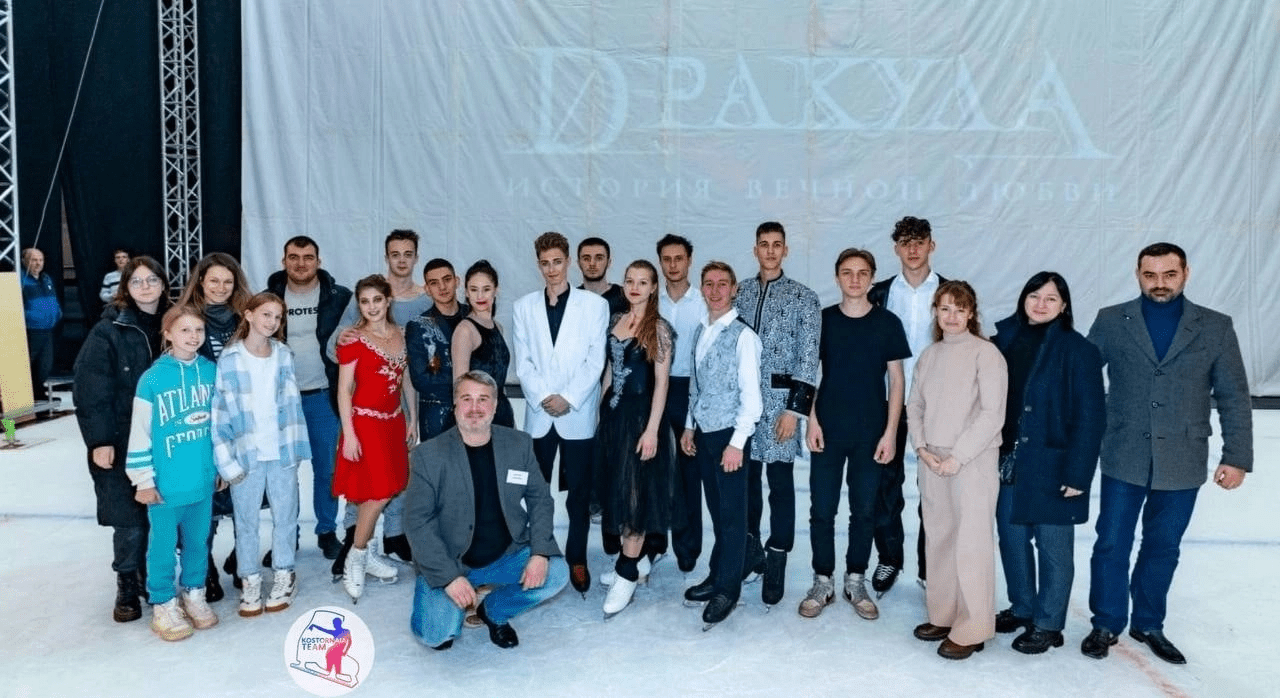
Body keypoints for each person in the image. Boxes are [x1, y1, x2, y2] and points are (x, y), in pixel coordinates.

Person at [1080, 242, 1253, 665]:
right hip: (1123, 453)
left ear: (1185, 273)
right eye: (1150, 275)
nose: (1160, 283)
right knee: (1112, 543)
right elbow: (1080, 379)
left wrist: (1236, 456)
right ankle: (1106, 622)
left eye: (1169, 274)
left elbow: (1233, 395)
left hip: (1183, 457)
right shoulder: (1111, 320)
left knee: (1163, 546)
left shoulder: (1215, 326)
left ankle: (1148, 623)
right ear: (1138, 274)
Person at [404, 371, 569, 650]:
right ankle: (451, 607)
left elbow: (540, 499)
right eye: (466, 399)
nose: (475, 408)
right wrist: (449, 577)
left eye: (483, 399)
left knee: (556, 573)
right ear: (455, 404)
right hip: (452, 560)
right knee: (436, 634)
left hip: (505, 554)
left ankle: (493, 611)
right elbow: (417, 522)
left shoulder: (518, 444)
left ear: (494, 406)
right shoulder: (428, 455)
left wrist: (540, 553)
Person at [991, 272, 1105, 654]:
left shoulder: (1079, 350)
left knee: (1053, 548)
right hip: (1008, 460)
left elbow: (1091, 417)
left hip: (1054, 464)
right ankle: (1023, 607)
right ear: (1023, 298)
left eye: (1051, 298)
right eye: (1034, 296)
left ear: (1064, 305)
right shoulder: (1003, 340)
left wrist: (1078, 474)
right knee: (1012, 538)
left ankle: (1049, 624)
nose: (1041, 304)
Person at [801, 249, 910, 621]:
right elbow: (808, 374)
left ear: (872, 278)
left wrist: (890, 433)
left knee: (864, 511)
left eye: (863, 273)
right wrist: (811, 420)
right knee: (822, 510)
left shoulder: (888, 323)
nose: (855, 279)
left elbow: (897, 381)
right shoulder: (823, 321)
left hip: (870, 432)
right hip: (828, 430)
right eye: (847, 272)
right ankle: (822, 581)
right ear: (837, 277)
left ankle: (855, 579)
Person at [907, 280, 1007, 660]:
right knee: (940, 538)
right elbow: (915, 406)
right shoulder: (929, 355)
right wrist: (921, 447)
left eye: (959, 309)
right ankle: (944, 614)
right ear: (935, 312)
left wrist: (959, 456)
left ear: (971, 313)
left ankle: (973, 627)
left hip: (972, 460)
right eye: (945, 308)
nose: (951, 316)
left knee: (971, 544)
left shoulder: (986, 353)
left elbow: (992, 414)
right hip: (932, 459)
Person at [73, 256, 171, 624]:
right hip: (122, 437)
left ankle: (154, 575)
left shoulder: (175, 323)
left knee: (164, 511)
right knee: (128, 518)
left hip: (167, 437)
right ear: (125, 288)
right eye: (137, 281)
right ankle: (127, 581)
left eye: (152, 280)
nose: (145, 287)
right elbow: (91, 388)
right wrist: (99, 440)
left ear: (163, 284)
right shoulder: (107, 331)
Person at [330, 230, 434, 570]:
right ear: (387, 256)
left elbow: (412, 368)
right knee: (367, 482)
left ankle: (391, 537)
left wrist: (413, 415)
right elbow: (340, 348)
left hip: (397, 409)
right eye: (395, 253)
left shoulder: (423, 302)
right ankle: (355, 543)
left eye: (408, 253)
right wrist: (343, 337)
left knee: (394, 479)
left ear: (415, 257)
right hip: (365, 407)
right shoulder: (364, 303)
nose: (401, 259)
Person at [513, 232, 609, 594]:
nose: (552, 269)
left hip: (577, 414)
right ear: (538, 264)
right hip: (539, 415)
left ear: (568, 261)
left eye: (557, 261)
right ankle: (539, 551)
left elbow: (596, 360)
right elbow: (524, 361)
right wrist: (544, 397)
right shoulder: (524, 307)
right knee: (536, 491)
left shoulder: (594, 306)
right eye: (545, 263)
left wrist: (568, 398)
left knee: (579, 494)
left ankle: (577, 557)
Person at [732, 221, 820, 607]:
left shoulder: (803, 297)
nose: (770, 251)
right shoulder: (740, 293)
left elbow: (808, 356)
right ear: (755, 250)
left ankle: (778, 554)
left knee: (780, 483)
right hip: (743, 403)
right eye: (764, 244)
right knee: (747, 481)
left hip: (781, 403)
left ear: (786, 250)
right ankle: (750, 550)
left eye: (777, 244)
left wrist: (794, 411)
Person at [212, 292, 311, 617]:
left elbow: (292, 404)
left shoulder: (283, 354)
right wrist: (226, 462)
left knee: (285, 517)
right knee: (246, 522)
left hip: (281, 451)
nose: (272, 322)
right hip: (246, 455)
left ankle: (284, 573)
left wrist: (295, 448)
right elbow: (220, 414)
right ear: (249, 315)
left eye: (278, 317)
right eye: (266, 314)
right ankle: (250, 579)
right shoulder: (230, 359)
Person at [124, 304, 220, 641]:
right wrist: (143, 480)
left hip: (202, 479)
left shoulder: (211, 372)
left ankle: (194, 593)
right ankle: (163, 602)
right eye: (184, 330)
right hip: (165, 484)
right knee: (163, 546)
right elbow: (140, 432)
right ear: (168, 334)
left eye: (199, 330)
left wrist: (220, 466)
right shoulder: (152, 379)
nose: (193, 336)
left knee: (198, 541)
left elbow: (221, 426)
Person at [867, 215, 947, 594]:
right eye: (905, 242)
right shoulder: (879, 294)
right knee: (885, 485)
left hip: (938, 404)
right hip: (888, 402)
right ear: (896, 248)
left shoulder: (951, 292)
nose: (913, 249)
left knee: (935, 488)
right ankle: (889, 558)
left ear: (932, 245)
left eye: (920, 241)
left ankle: (931, 566)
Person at [680, 261, 763, 629]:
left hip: (731, 437)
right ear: (702, 289)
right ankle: (718, 573)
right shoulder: (702, 330)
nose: (715, 291)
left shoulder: (744, 337)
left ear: (734, 290)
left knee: (732, 517)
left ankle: (728, 589)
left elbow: (753, 398)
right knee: (716, 512)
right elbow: (695, 385)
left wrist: (737, 443)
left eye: (723, 284)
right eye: (709, 284)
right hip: (704, 434)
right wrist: (689, 426)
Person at [596, 260, 681, 617]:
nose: (634, 287)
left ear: (653, 287)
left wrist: (652, 430)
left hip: (641, 418)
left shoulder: (658, 328)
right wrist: (601, 415)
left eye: (642, 282)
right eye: (630, 280)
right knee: (618, 490)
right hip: (614, 419)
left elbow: (662, 384)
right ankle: (632, 560)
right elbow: (610, 371)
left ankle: (627, 571)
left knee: (636, 495)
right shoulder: (616, 320)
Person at [332, 275, 418, 602]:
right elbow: (344, 390)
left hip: (394, 422)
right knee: (377, 493)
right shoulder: (353, 340)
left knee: (389, 488)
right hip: (365, 424)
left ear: (388, 300)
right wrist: (349, 435)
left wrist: (413, 418)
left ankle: (366, 552)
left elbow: (405, 379)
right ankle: (356, 556)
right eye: (365, 302)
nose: (371, 307)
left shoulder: (401, 335)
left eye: (377, 300)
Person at [266, 235, 353, 560]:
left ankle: (327, 531)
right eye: (294, 257)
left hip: (322, 395)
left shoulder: (339, 297)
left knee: (327, 469)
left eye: (307, 257)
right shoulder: (269, 297)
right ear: (284, 261)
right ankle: (286, 535)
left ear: (318, 261)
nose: (301, 263)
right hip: (281, 399)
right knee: (283, 473)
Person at [176, 251, 253, 601]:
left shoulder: (245, 320)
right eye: (214, 281)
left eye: (227, 282)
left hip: (240, 423)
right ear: (201, 283)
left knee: (243, 496)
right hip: (199, 423)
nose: (221, 288)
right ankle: (202, 566)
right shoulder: (187, 320)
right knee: (203, 500)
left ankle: (242, 559)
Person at [657, 234, 707, 574]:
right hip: (657, 391)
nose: (673, 265)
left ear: (689, 260)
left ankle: (688, 548)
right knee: (655, 471)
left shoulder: (703, 301)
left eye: (679, 258)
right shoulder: (651, 300)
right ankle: (654, 543)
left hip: (692, 390)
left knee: (690, 473)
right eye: (667, 259)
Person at [406, 258, 471, 447]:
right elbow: (421, 379)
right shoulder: (417, 326)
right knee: (438, 465)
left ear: (457, 281)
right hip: (436, 416)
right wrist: (465, 383)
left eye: (447, 279)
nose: (442, 287)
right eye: (434, 283)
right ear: (427, 289)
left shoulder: (474, 316)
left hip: (475, 413)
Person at [451, 259, 514, 428]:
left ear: (496, 290)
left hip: (502, 413)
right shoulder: (465, 330)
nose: (480, 296)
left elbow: (500, 382)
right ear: (466, 292)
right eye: (474, 289)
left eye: (486, 289)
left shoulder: (498, 327)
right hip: (476, 417)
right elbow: (459, 387)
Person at [20, 247, 62, 401]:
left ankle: (38, 392)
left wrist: (57, 313)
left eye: (40, 260)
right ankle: (22, 394)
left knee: (45, 364)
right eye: (34, 260)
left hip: (48, 328)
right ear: (24, 261)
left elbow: (53, 298)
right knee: (28, 362)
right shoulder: (20, 280)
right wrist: (30, 317)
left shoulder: (46, 278)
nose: (38, 263)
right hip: (31, 329)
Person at [578, 236, 629, 314]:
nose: (592, 264)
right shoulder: (571, 299)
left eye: (599, 258)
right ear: (578, 263)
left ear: (609, 263)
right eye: (586, 259)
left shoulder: (626, 297)